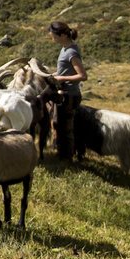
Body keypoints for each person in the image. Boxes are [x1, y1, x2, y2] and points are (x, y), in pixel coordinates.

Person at [49, 20, 87, 162]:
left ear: (64, 35)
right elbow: (66, 69)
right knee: (59, 124)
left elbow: (82, 76)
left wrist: (62, 78)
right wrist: (56, 74)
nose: (53, 39)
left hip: (69, 95)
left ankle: (67, 158)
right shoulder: (65, 48)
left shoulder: (72, 52)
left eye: (55, 36)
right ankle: (61, 154)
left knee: (67, 128)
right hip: (64, 94)